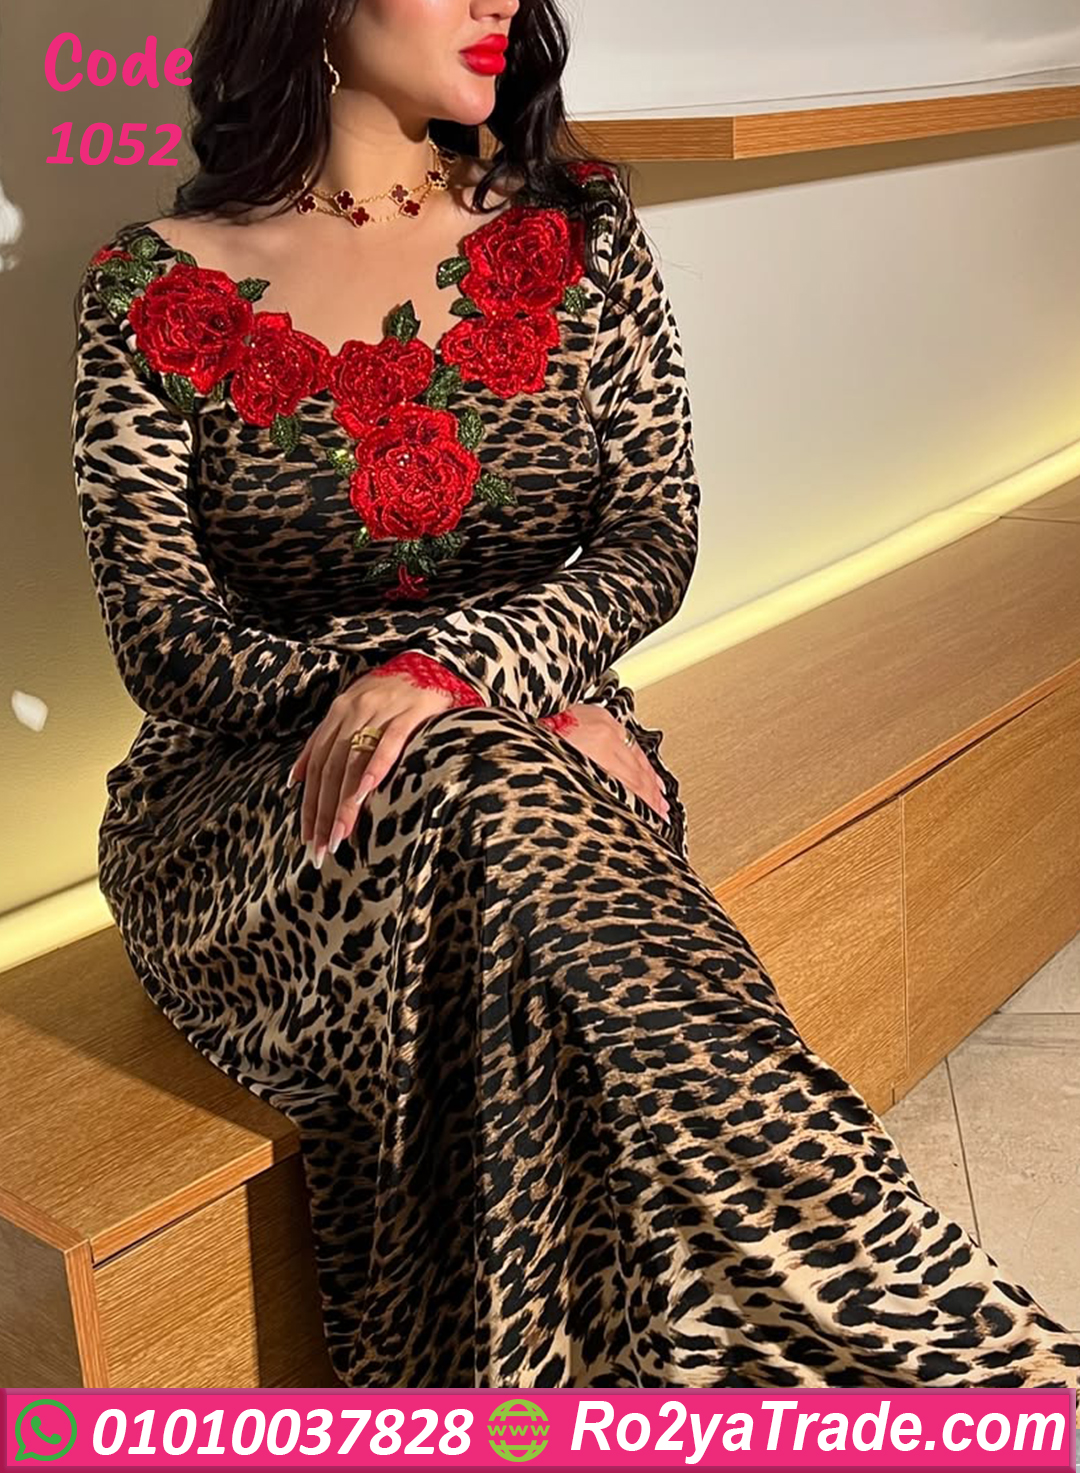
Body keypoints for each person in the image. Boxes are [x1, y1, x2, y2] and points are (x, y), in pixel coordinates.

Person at [70, 0, 1080, 1392]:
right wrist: (449, 702)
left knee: (491, 825)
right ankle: (966, 1363)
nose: (501, 2)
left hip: (542, 768)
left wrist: (474, 675)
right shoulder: (150, 289)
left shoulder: (576, 234)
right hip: (260, 817)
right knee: (473, 786)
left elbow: (654, 531)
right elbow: (167, 643)